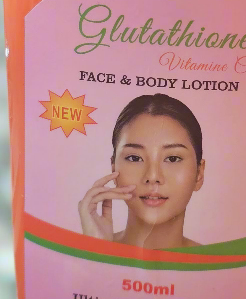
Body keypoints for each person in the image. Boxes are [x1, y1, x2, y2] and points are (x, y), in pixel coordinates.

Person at [79, 93, 205, 248]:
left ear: (199, 174)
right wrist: (96, 250)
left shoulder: (218, 263)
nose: (152, 176)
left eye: (172, 158)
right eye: (134, 158)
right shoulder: (90, 253)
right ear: (114, 168)